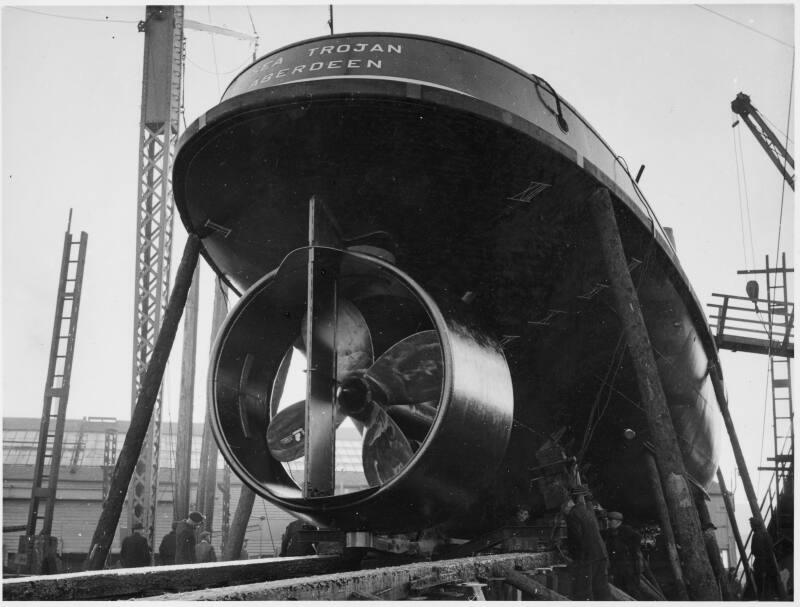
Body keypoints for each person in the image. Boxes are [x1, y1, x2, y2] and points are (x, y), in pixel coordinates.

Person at [562, 494, 612, 600]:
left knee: (584, 591)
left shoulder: (573, 514)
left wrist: (574, 557)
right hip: (599, 555)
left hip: (587, 558)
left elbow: (576, 539)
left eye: (563, 511)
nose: (563, 514)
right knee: (601, 589)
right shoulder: (587, 511)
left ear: (568, 505)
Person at [604, 511, 642, 598]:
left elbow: (637, 539)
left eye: (611, 520)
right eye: (608, 520)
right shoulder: (610, 532)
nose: (608, 522)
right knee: (621, 590)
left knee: (632, 590)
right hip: (617, 567)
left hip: (628, 566)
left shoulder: (626, 530)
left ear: (618, 521)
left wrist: (628, 549)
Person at [750, 517, 779, 600]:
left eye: (751, 525)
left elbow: (761, 553)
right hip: (767, 565)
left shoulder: (757, 536)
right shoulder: (765, 534)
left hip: (762, 565)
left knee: (762, 589)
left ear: (755, 525)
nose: (751, 527)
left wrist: (763, 570)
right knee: (767, 588)